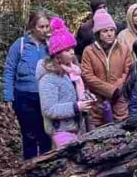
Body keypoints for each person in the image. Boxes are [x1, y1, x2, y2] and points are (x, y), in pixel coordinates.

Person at [3, 11, 52, 159]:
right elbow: (10, 69)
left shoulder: (50, 45)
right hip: (24, 96)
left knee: (46, 133)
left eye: (46, 27)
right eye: (41, 27)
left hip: (46, 96)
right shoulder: (21, 44)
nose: (44, 30)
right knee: (29, 134)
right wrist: (8, 96)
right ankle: (29, 167)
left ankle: (47, 165)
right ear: (32, 27)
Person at [38, 18, 95, 147]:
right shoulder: (48, 79)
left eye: (72, 49)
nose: (72, 52)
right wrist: (76, 107)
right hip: (60, 130)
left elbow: (75, 95)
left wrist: (86, 98)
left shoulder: (74, 73)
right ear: (57, 55)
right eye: (67, 50)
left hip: (78, 127)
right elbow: (49, 109)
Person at [81, 9, 132, 127]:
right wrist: (110, 90)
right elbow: (88, 76)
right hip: (98, 104)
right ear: (98, 33)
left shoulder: (123, 49)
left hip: (120, 102)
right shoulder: (89, 51)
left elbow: (128, 71)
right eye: (105, 31)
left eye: (111, 30)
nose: (109, 34)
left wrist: (117, 88)